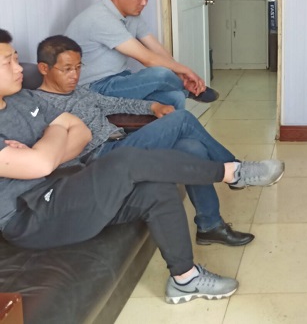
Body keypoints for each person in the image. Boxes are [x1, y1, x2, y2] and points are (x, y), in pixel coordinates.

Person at [0, 29, 272, 304]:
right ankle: (231, 172)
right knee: (128, 158)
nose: (19, 69)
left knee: (159, 188)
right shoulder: (38, 99)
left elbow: (78, 131)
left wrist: (47, 142)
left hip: (66, 186)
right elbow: (44, 161)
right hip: (30, 216)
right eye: (7, 63)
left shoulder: (23, 99)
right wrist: (54, 138)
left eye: (17, 59)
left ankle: (185, 278)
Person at [31, 34, 283, 247]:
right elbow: (49, 154)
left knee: (192, 148)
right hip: (102, 158)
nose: (75, 75)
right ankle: (237, 171)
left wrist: (153, 106)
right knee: (182, 119)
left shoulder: (79, 92)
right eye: (67, 69)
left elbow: (114, 103)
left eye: (78, 67)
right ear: (43, 68)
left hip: (121, 142)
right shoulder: (37, 106)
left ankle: (210, 225)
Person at [65, 0, 217, 110]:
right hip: (94, 88)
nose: (144, 3)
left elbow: (157, 50)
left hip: (120, 79)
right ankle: (190, 90)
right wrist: (187, 72)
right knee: (160, 73)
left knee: (175, 98)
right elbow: (147, 58)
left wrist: (179, 73)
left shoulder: (132, 15)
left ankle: (180, 112)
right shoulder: (100, 18)